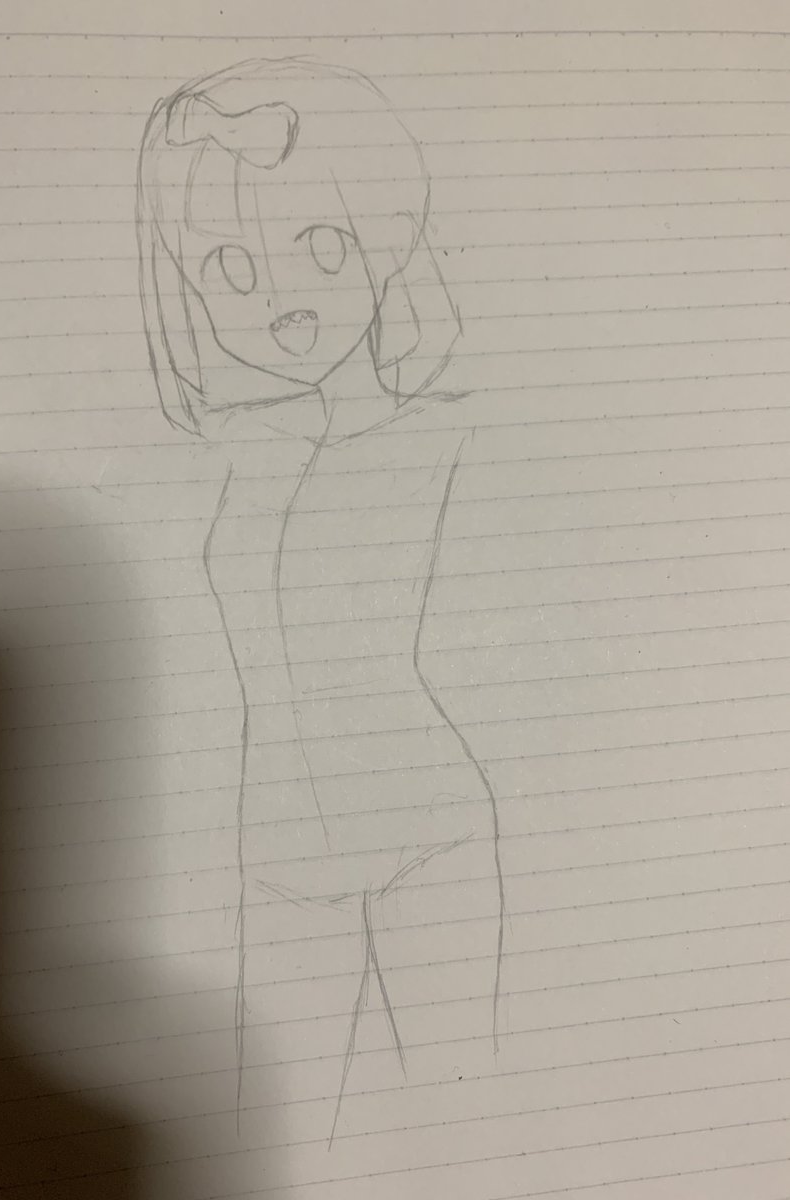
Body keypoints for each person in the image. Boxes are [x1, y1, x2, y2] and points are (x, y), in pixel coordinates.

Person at [137, 58, 503, 1155]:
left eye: (324, 247)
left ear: (385, 239)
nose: (278, 300)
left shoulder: (441, 436)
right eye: (227, 268)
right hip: (280, 851)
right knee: (268, 1144)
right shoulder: (234, 453)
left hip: (429, 829)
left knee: (465, 1117)